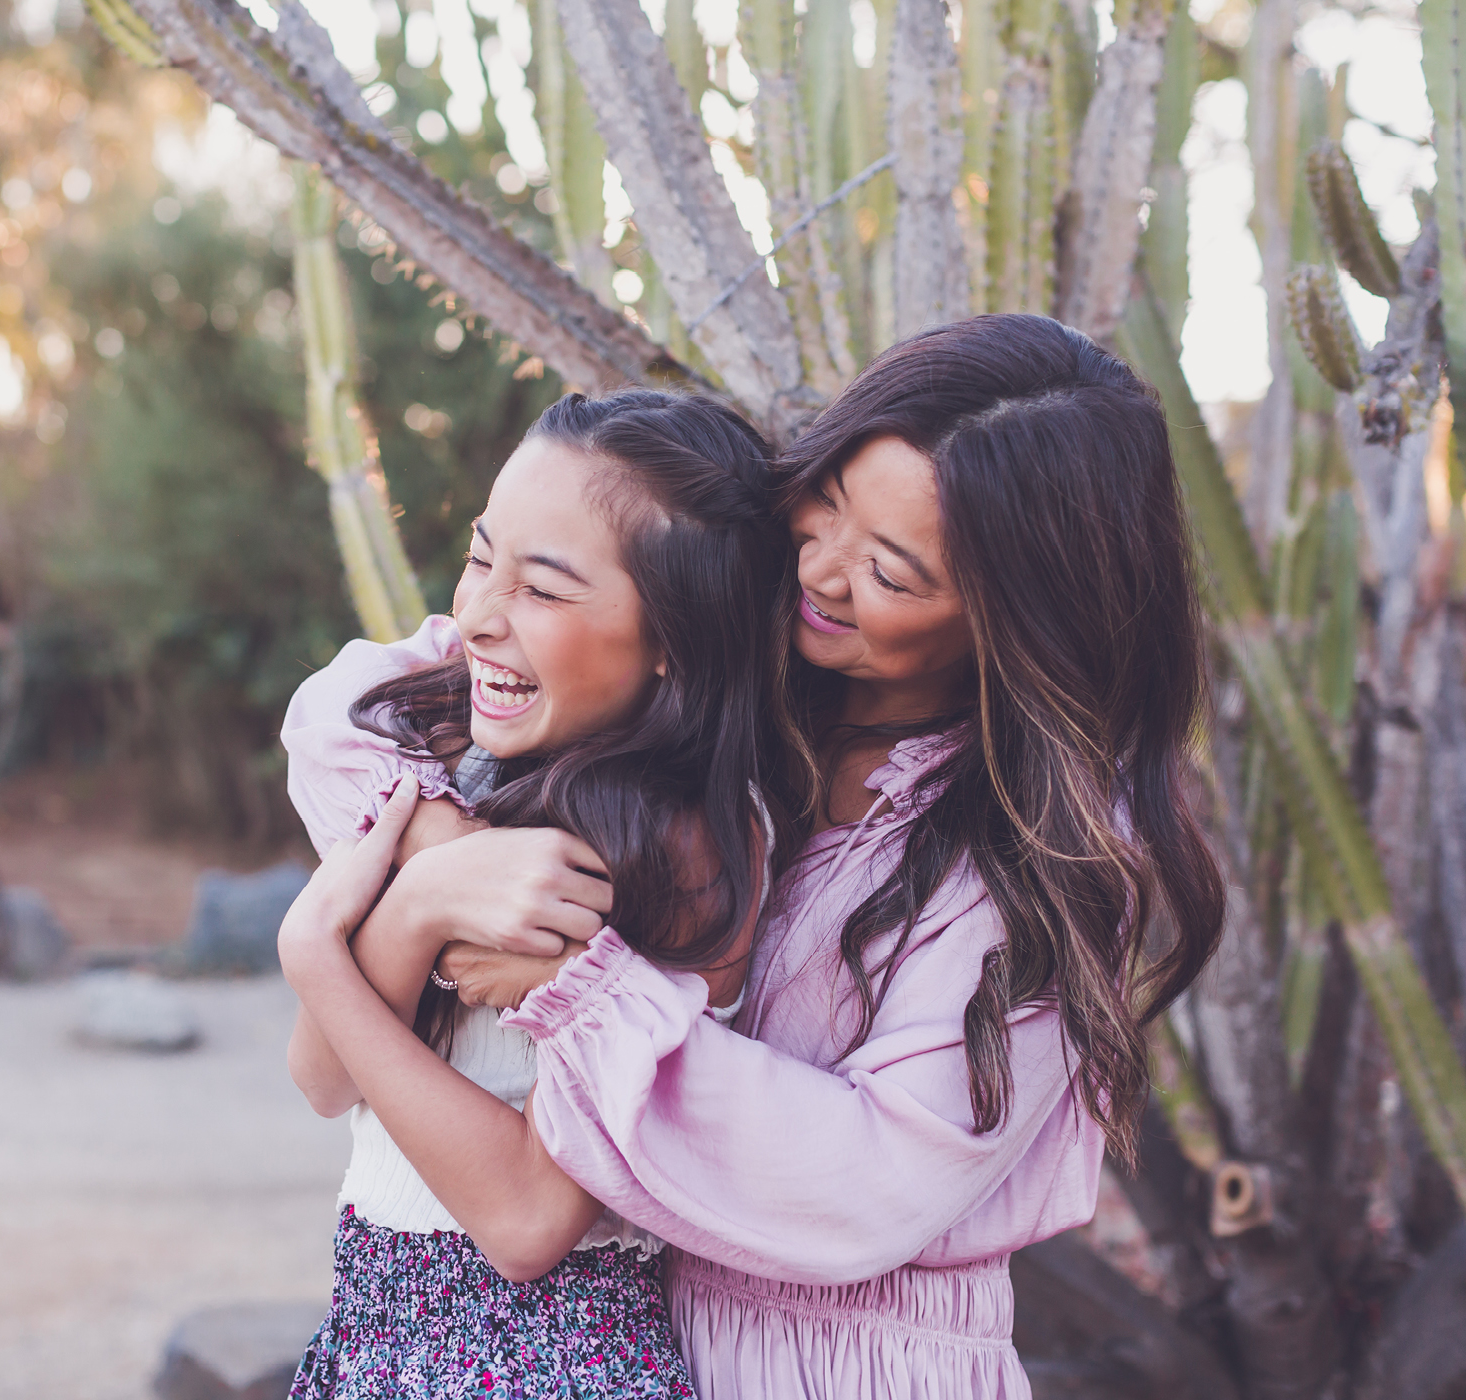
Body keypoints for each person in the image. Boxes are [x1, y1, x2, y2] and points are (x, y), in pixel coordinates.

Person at [373, 314, 1226, 1397]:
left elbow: (869, 1180)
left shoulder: (1044, 856)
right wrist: (442, 853)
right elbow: (364, 699)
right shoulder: (720, 661)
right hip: (638, 1343)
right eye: (824, 506)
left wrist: (575, 982)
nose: (820, 571)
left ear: (1014, 618)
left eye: (891, 568)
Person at [277, 390, 796, 1397]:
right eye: (480, 557)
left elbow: (525, 1222)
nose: (475, 615)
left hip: (544, 1352)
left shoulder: (688, 849)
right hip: (382, 1322)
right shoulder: (456, 766)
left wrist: (326, 951)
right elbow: (323, 1076)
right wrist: (431, 886)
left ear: (672, 638)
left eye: (543, 589)